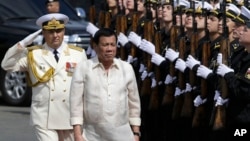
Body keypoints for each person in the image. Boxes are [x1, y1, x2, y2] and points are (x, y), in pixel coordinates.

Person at [1, 13, 87, 141]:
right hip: (44, 115)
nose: (55, 35)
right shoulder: (34, 54)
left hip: (69, 116)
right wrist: (23, 43)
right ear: (44, 33)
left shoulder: (78, 54)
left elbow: (86, 86)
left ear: (64, 31)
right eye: (50, 32)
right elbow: (7, 65)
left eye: (58, 31)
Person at [69, 28, 141, 141]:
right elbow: (76, 104)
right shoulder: (83, 68)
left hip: (123, 135)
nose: (109, 49)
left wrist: (136, 133)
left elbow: (134, 103)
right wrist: (77, 134)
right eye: (105, 45)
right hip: (92, 135)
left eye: (112, 45)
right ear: (95, 46)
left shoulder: (126, 68)